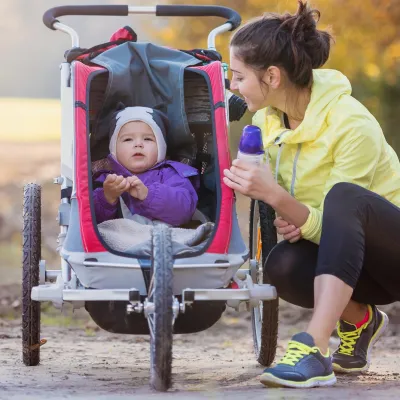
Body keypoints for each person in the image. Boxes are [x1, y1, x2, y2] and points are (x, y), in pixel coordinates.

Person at [223, 0, 400, 389]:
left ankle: (315, 346)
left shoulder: (351, 124)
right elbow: (322, 227)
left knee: (346, 197)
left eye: (238, 77)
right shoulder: (267, 123)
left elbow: (342, 213)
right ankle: (359, 320)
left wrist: (281, 200)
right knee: (282, 265)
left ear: (271, 75)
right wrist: (290, 213)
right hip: (352, 260)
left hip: (392, 253)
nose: (232, 87)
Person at [93, 105, 199, 227]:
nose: (138, 144)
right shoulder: (106, 180)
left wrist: (148, 194)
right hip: (121, 242)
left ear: (160, 148)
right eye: (128, 139)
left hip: (165, 239)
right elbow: (91, 223)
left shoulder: (171, 174)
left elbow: (185, 211)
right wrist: (107, 198)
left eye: (147, 139)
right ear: (114, 150)